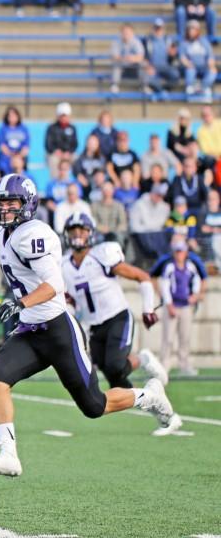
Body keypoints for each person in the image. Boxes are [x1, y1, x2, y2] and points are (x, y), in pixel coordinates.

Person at [0, 174, 179, 478]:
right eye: (1, 202)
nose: (5, 208)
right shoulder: (0, 236)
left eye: (12, 202)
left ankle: (148, 395)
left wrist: (19, 303)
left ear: (27, 204)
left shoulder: (35, 234)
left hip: (58, 330)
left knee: (94, 406)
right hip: (30, 331)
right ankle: (9, 455)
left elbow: (54, 285)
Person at [61, 213, 173, 427]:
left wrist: (148, 307)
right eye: (73, 230)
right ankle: (161, 410)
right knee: (117, 379)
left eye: (82, 230)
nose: (77, 234)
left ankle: (144, 359)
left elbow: (142, 276)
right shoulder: (63, 264)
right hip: (94, 325)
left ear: (91, 233)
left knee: (114, 365)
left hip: (117, 318)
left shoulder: (102, 255)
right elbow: (69, 298)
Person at [156, 240, 203, 377]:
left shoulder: (190, 267)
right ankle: (164, 367)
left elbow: (197, 280)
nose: (179, 254)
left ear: (186, 252)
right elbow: (165, 286)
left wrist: (195, 295)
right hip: (173, 306)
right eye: (177, 251)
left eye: (181, 251)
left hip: (186, 306)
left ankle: (185, 365)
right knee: (168, 338)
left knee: (185, 337)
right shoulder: (169, 267)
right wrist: (169, 304)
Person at [131, 183, 172, 261]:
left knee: (165, 235)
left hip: (157, 235)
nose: (159, 197)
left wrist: (150, 227)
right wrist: (150, 228)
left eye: (161, 195)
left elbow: (161, 224)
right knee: (152, 236)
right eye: (157, 194)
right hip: (141, 236)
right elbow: (134, 227)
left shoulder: (164, 207)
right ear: (152, 193)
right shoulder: (139, 204)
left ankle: (164, 261)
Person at [179, 20, 216, 103]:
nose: (191, 31)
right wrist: (188, 64)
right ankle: (191, 89)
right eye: (190, 29)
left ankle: (203, 88)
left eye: (194, 29)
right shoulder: (184, 43)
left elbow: (210, 56)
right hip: (192, 67)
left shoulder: (204, 42)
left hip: (204, 67)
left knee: (213, 71)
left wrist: (211, 64)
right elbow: (182, 58)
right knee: (190, 70)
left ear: (198, 30)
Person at [143, 18, 180, 96]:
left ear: (163, 29)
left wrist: (173, 55)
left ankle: (163, 90)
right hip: (152, 67)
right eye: (156, 28)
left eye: (160, 28)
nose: (158, 30)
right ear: (153, 28)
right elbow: (143, 56)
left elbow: (174, 56)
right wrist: (148, 66)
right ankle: (162, 92)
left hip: (166, 67)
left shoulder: (168, 40)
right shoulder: (146, 40)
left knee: (175, 74)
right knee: (147, 77)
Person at [44, 102, 77, 178]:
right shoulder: (51, 128)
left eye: (65, 116)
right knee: (53, 160)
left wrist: (68, 152)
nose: (63, 118)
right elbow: (48, 144)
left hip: (68, 154)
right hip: (55, 154)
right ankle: (55, 182)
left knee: (77, 159)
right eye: (62, 116)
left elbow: (75, 144)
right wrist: (56, 151)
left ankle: (73, 182)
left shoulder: (72, 128)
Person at [110, 24, 146, 94]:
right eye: (124, 32)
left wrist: (133, 58)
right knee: (116, 64)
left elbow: (141, 56)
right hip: (122, 67)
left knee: (143, 64)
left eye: (128, 32)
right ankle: (115, 85)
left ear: (132, 33)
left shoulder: (136, 42)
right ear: (121, 33)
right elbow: (114, 57)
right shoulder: (116, 42)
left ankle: (144, 86)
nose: (126, 34)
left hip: (133, 67)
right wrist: (125, 58)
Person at [0, 106, 28, 175]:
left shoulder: (23, 128)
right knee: (5, 161)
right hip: (7, 155)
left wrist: (19, 155)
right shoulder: (3, 129)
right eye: (10, 116)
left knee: (18, 161)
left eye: (14, 115)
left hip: (19, 155)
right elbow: (2, 146)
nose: (12, 118)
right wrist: (11, 155)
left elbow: (26, 147)